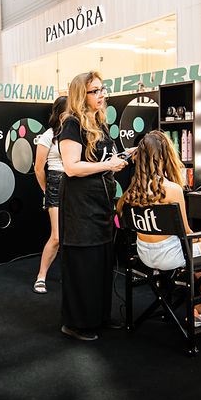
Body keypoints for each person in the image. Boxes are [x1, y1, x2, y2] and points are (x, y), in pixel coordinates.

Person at [117, 131, 201, 327]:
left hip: (144, 255)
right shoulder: (172, 190)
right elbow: (186, 233)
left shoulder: (130, 193)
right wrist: (200, 239)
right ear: (165, 156)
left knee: (200, 259)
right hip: (171, 257)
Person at [58, 71, 128, 341]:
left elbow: (103, 159)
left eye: (102, 89)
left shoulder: (99, 124)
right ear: (81, 94)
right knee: (83, 263)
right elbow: (72, 167)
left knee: (102, 260)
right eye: (95, 91)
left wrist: (122, 158)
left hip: (100, 203)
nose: (102, 95)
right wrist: (107, 165)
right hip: (80, 205)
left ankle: (99, 315)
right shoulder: (72, 125)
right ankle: (76, 322)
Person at [32, 96, 67, 294]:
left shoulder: (77, 133)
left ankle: (71, 275)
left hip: (76, 185)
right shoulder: (48, 135)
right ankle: (41, 276)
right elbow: (38, 168)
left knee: (74, 236)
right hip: (56, 183)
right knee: (57, 237)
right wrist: (47, 190)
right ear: (62, 114)